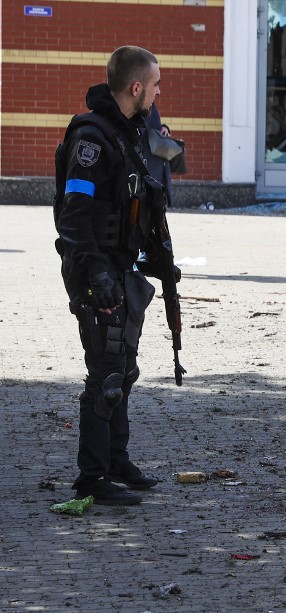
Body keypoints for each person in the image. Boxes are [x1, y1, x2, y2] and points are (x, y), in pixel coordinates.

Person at [55, 46, 169, 505]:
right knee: (104, 373)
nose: (160, 92)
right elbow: (74, 211)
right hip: (94, 270)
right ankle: (92, 478)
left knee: (123, 370)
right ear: (136, 87)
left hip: (121, 268)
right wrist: (96, 272)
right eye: (156, 84)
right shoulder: (91, 138)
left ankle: (117, 461)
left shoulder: (127, 133)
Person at [143, 103, 173, 206]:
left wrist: (163, 128)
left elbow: (154, 124)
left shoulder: (150, 104)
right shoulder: (141, 104)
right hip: (147, 161)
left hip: (156, 160)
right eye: (155, 86)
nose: (158, 91)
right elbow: (139, 128)